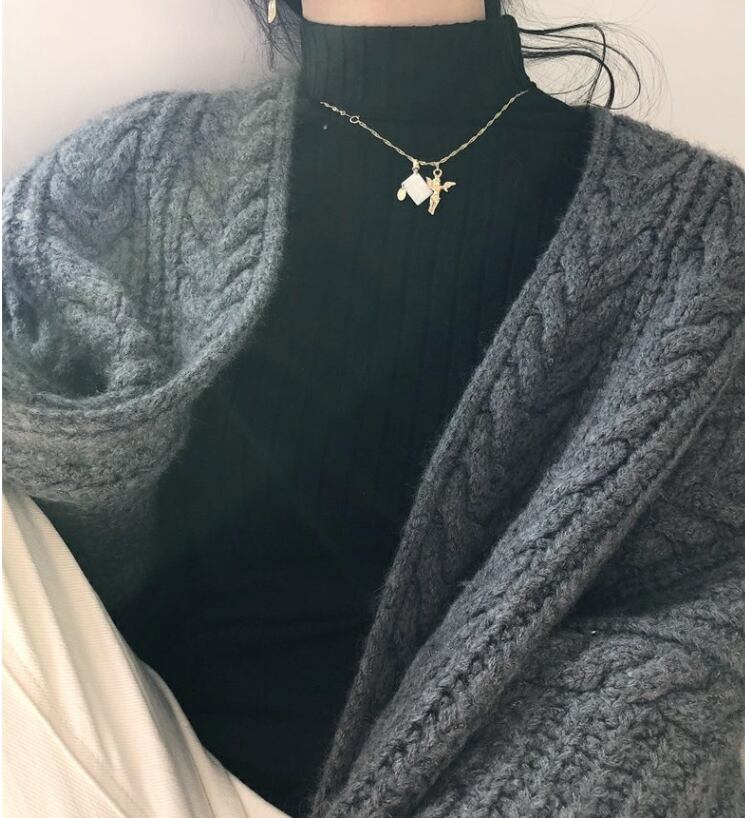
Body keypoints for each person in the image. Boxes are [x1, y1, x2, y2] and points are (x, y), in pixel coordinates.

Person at [3, 1, 744, 817]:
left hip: (523, 782)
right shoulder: (138, 174)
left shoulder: (704, 241)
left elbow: (709, 604)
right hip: (131, 770)